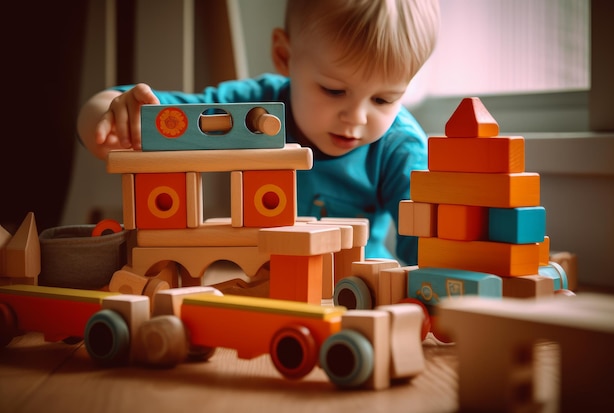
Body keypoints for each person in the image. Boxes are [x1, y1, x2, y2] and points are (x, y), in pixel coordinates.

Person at [77, 0, 440, 265]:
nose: (357, 117)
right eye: (333, 90)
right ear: (284, 56)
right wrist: (107, 116)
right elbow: (142, 114)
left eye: (383, 99)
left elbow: (430, 251)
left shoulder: (399, 147)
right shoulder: (254, 107)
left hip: (356, 294)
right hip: (253, 281)